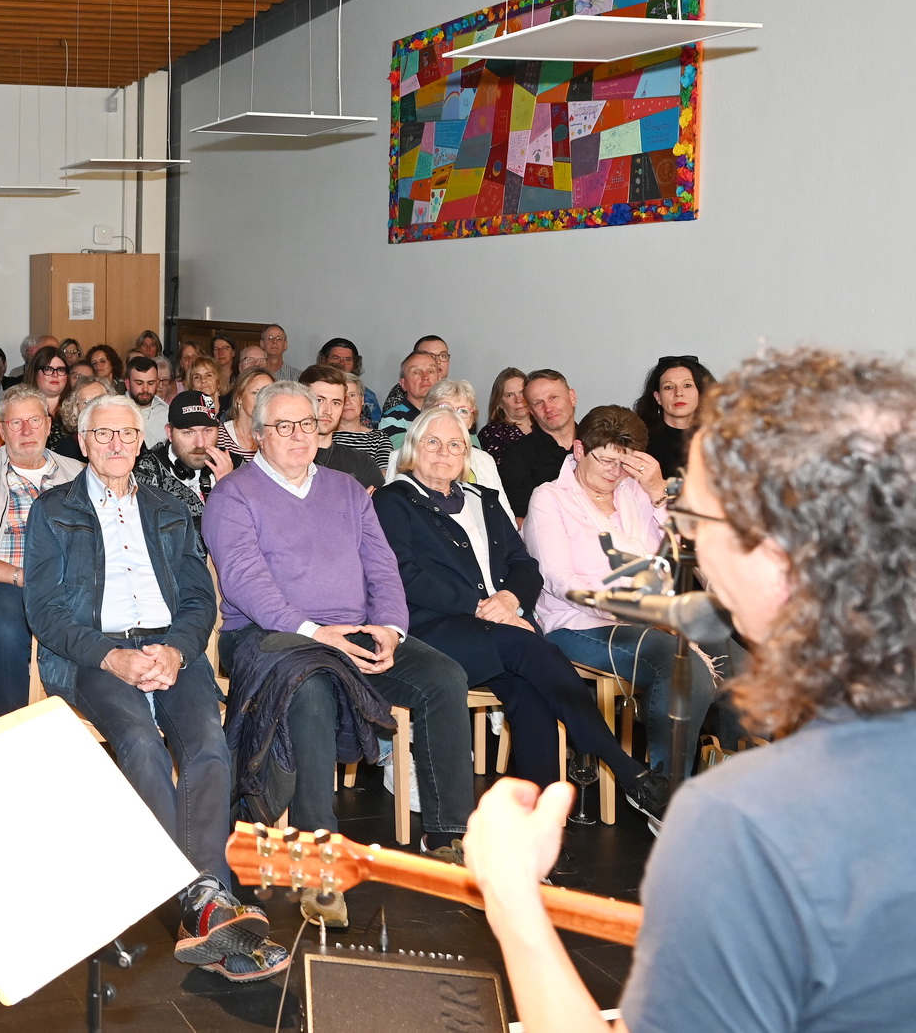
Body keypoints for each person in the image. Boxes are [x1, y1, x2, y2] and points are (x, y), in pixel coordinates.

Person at [464, 348, 916, 1033]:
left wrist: (512, 901)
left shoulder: (741, 823)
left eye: (695, 524)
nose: (687, 544)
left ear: (776, 553)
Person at [24, 394, 288, 981]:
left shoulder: (171, 509)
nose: (116, 444)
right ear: (84, 443)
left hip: (169, 646)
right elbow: (43, 611)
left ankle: (202, 900)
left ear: (140, 442)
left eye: (126, 435)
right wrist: (111, 657)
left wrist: (176, 650)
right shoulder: (53, 510)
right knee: (140, 741)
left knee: (208, 743)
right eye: (103, 435)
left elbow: (199, 599)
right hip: (93, 650)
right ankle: (202, 895)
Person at [204, 382, 477, 892]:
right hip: (268, 639)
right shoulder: (234, 494)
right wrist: (313, 631)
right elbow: (245, 580)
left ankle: (447, 834)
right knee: (311, 687)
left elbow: (382, 566)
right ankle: (316, 854)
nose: (297, 436)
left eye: (306, 424)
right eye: (283, 426)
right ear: (260, 435)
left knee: (444, 677)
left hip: (350, 632)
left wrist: (392, 629)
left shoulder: (346, 490)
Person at [374, 409, 668, 826]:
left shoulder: (483, 500)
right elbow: (405, 575)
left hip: (500, 632)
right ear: (413, 449)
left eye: (455, 445)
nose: (443, 453)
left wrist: (510, 599)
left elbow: (525, 565)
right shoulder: (394, 500)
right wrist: (482, 606)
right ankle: (626, 769)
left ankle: (539, 827)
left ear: (466, 455)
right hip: (431, 633)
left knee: (531, 689)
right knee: (533, 648)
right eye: (432, 443)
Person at [524, 406, 731, 781]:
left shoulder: (637, 493)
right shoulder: (550, 498)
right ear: (579, 449)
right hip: (579, 624)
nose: (613, 473)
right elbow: (557, 578)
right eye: (604, 460)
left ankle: (730, 782)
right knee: (676, 661)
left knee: (733, 661)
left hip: (652, 620)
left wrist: (656, 491)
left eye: (624, 465)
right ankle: (665, 792)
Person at [0, 386, 84, 717]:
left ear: (49, 425)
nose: (26, 431)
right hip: (6, 583)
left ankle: (77, 716)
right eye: (16, 422)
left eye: (34, 420)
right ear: (1, 428)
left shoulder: (78, 473)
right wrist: (23, 577)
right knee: (8, 628)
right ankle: (14, 726)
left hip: (71, 585)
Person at [383, 380, 514, 521]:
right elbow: (393, 512)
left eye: (463, 410)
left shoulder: (484, 460)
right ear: (426, 414)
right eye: (445, 407)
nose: (454, 415)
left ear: (471, 421)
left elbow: (505, 517)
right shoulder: (401, 456)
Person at [132, 391, 238, 543]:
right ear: (169, 432)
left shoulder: (238, 467)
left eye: (208, 431)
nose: (200, 443)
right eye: (188, 433)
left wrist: (228, 487)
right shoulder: (147, 473)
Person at [499, 370, 579, 521]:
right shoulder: (517, 456)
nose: (548, 408)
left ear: (572, 397)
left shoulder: (597, 445)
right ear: (532, 412)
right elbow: (520, 519)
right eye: (538, 403)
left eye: (553, 398)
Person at [298, 367, 384, 490]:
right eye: (319, 400)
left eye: (336, 403)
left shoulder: (362, 463)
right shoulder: (284, 457)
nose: (328, 411)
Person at [634, 355, 715, 480]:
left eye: (687, 385)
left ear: (701, 393)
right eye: (669, 387)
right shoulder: (639, 440)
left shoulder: (717, 438)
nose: (678, 393)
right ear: (657, 397)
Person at [331, 374, 395, 472]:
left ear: (362, 400)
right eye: (342, 396)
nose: (347, 402)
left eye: (352, 395)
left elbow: (385, 473)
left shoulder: (379, 438)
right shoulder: (323, 437)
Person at [379, 350, 442, 447]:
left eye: (431, 371)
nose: (425, 377)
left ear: (439, 379)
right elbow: (404, 456)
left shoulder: (453, 412)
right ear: (403, 384)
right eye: (416, 372)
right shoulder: (392, 418)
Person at [381, 336, 452, 415]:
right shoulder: (399, 396)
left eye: (443, 356)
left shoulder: (454, 393)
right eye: (429, 355)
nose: (438, 362)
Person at [318, 338, 381, 427]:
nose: (341, 363)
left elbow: (375, 428)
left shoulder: (368, 396)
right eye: (335, 357)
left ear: (355, 365)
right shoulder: (310, 390)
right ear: (323, 360)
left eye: (348, 359)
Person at [216, 368, 273, 460]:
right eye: (255, 393)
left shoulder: (276, 437)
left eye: (268, 394)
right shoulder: (218, 435)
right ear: (239, 397)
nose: (262, 399)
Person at [49, 378, 108, 464]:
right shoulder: (66, 447)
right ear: (76, 408)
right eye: (87, 402)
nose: (94, 407)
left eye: (100, 400)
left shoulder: (122, 438)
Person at [479, 368, 531, 462]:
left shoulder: (546, 425)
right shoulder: (491, 433)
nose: (518, 400)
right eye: (509, 395)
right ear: (499, 403)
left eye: (522, 393)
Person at [124, 355, 170, 448]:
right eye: (139, 383)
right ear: (128, 384)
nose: (145, 389)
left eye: (151, 383)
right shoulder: (114, 410)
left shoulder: (167, 414)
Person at [26, 344, 70, 418]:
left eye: (61, 370)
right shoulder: (22, 408)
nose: (55, 375)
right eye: (48, 369)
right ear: (36, 374)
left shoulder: (77, 408)